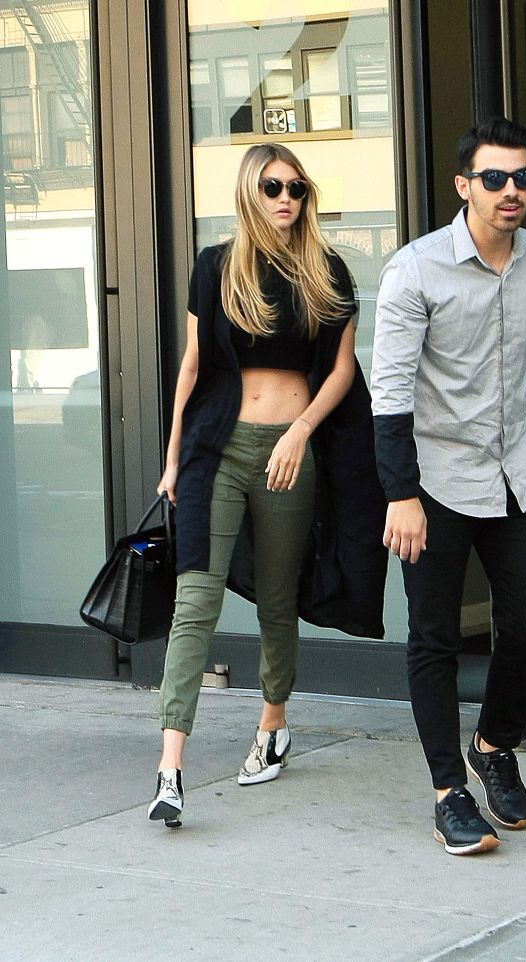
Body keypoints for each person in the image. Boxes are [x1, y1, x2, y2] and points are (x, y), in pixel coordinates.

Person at [148, 143, 386, 827]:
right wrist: (171, 460)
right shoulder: (216, 268)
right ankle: (170, 768)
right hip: (216, 449)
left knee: (278, 600)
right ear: (251, 194)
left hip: (290, 450)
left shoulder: (327, 271)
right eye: (275, 187)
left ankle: (273, 724)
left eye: (298, 188)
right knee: (195, 599)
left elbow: (341, 371)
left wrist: (301, 431)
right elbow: (192, 368)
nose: (288, 198)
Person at [371, 116, 526, 856]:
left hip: (515, 468)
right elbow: (390, 390)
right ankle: (447, 792)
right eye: (494, 178)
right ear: (464, 186)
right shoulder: (415, 270)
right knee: (433, 636)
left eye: (523, 176)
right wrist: (400, 493)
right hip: (433, 479)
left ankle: (493, 744)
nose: (511, 191)